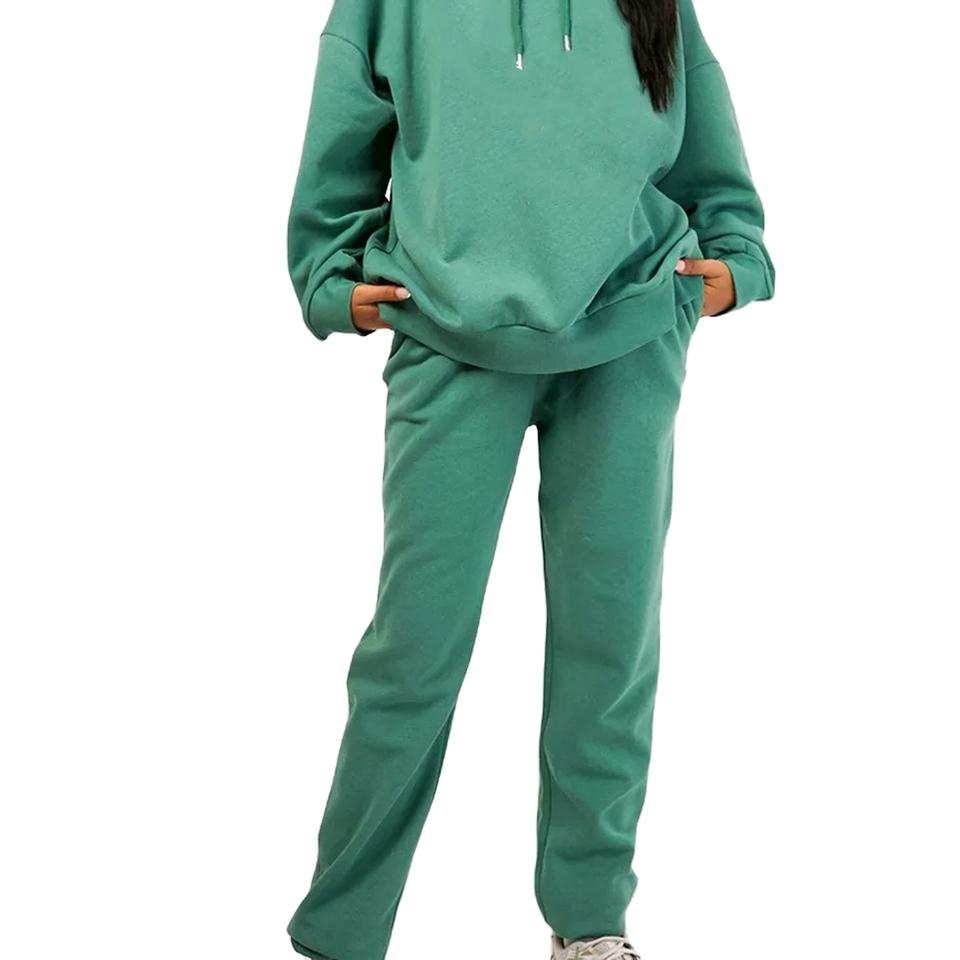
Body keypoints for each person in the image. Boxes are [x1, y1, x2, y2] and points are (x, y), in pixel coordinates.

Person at [285, 0, 775, 957]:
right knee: (413, 652)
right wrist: (331, 278)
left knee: (609, 644)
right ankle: (341, 934)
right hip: (447, 338)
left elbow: (705, 140)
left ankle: (589, 927)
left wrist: (735, 261)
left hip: (631, 334)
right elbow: (341, 138)